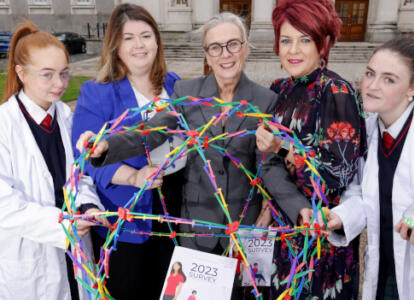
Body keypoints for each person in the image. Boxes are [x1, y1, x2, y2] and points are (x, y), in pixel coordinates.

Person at [76, 12, 281, 256]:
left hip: (239, 222)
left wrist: (271, 207)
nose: (225, 53)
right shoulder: (188, 92)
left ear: (246, 48)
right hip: (187, 221)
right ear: (206, 53)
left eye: (233, 44)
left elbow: (268, 165)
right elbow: (152, 131)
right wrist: (107, 146)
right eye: (215, 47)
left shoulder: (265, 100)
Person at [255, 0, 366, 298]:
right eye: (286, 40)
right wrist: (266, 206)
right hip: (280, 233)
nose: (293, 50)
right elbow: (268, 164)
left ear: (323, 43)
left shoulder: (336, 92)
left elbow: (339, 174)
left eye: (305, 40)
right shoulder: (280, 89)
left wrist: (283, 148)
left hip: (318, 240)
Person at [71, 4, 183, 299]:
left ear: (157, 41)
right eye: (129, 37)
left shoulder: (175, 85)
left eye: (145, 35)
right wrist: (133, 176)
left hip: (176, 205)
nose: (139, 45)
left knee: (172, 290)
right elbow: (86, 158)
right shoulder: (97, 92)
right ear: (115, 45)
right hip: (127, 214)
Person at [326, 37, 414, 300]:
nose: (372, 85)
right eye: (370, 74)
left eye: (389, 79)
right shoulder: (368, 131)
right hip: (381, 272)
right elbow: (360, 193)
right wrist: (340, 217)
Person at [0, 21, 105, 299]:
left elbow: (79, 176)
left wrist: (88, 206)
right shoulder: (4, 125)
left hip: (75, 254)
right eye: (47, 75)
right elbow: (5, 206)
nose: (59, 84)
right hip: (31, 257)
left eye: (64, 73)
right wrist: (63, 224)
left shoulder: (66, 116)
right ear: (21, 73)